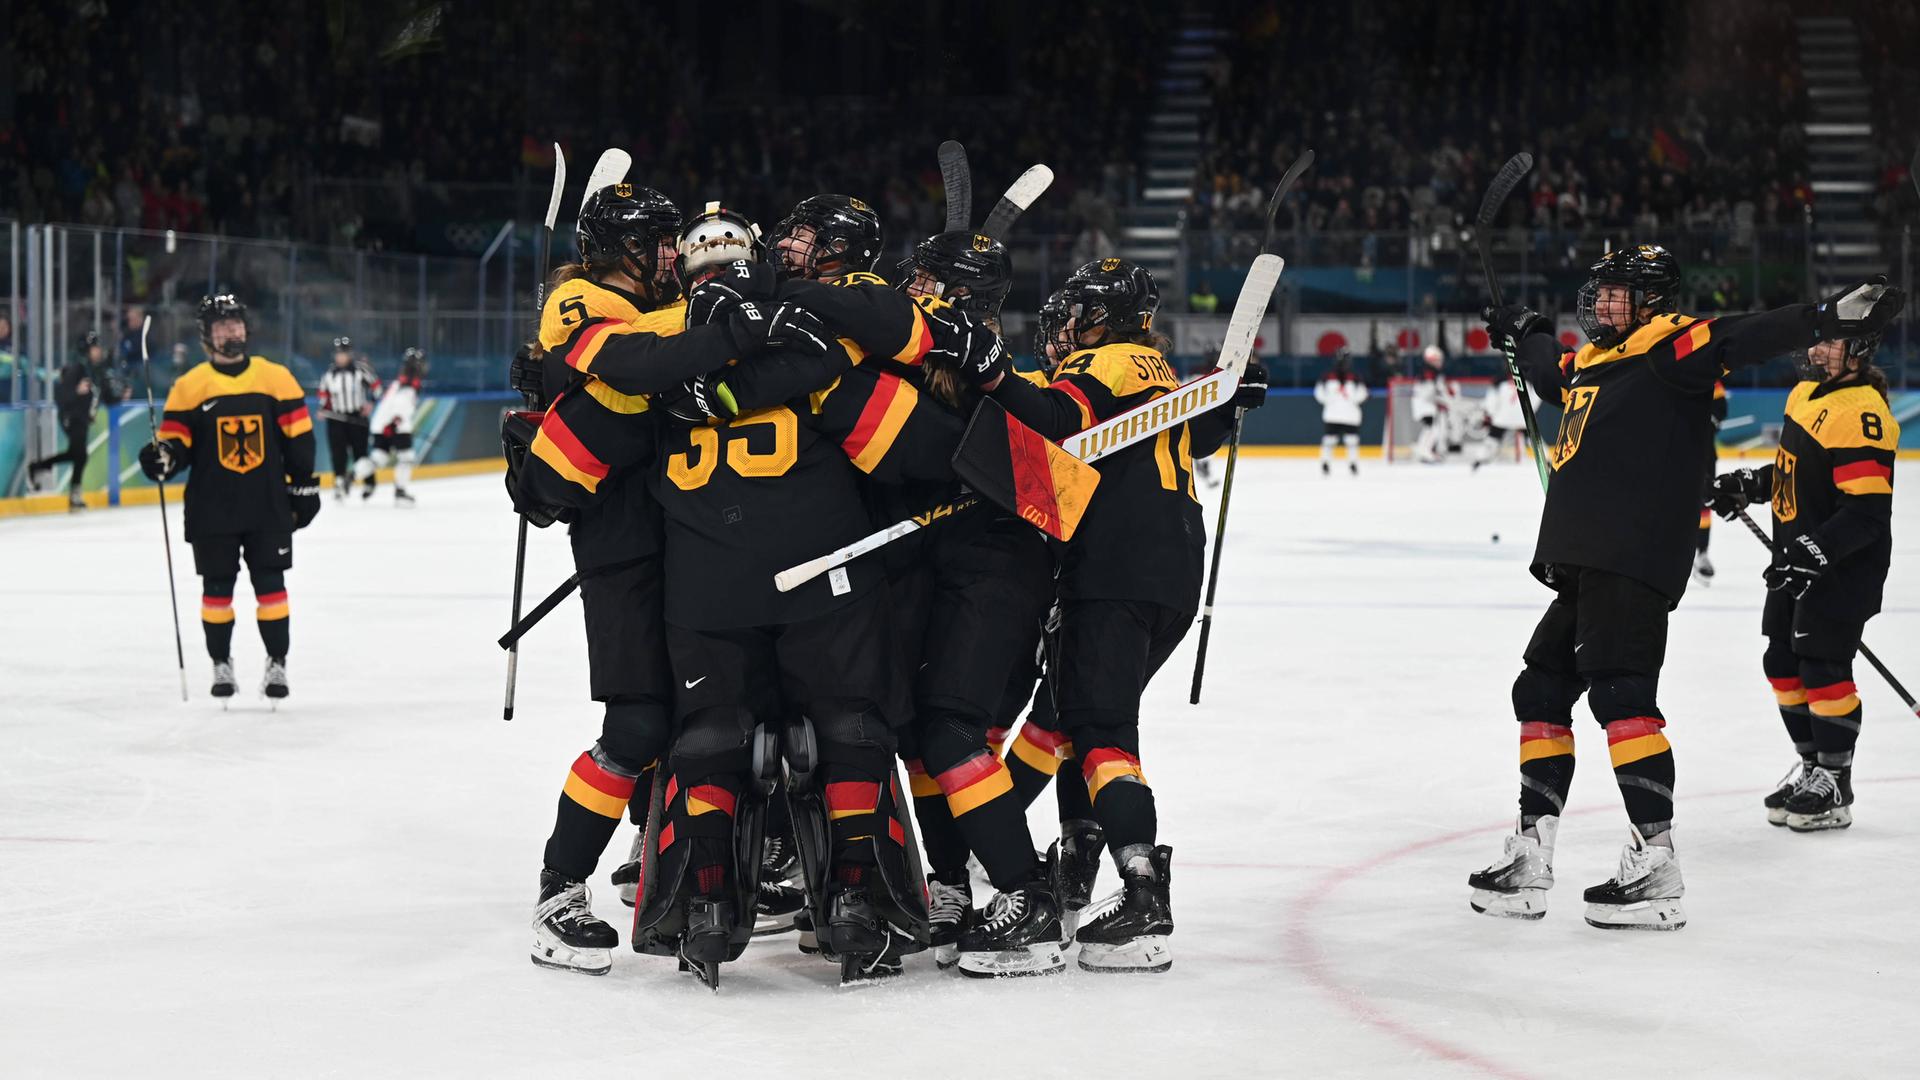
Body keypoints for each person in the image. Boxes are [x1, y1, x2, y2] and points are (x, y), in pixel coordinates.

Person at [1470, 247, 1904, 931]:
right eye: (1601, 293)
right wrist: (1525, 333)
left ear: (1649, 302)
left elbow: (1740, 334)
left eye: (1616, 295)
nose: (1603, 305)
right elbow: (1553, 376)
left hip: (1633, 553)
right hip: (1586, 554)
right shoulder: (1597, 360)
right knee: (1541, 690)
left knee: (1620, 694)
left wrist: (1822, 315)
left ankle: (1656, 864)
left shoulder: (1671, 346)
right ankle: (1532, 850)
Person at [505, 186, 825, 979]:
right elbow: (635, 367)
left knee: (700, 715)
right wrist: (738, 318)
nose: (673, 258)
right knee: (639, 725)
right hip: (623, 551)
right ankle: (558, 890)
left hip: (681, 547)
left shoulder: (663, 311)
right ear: (624, 248)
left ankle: (662, 847)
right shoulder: (580, 299)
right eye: (660, 244)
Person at [965, 257, 1268, 972]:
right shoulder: (1154, 371)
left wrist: (993, 376)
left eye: (1073, 312)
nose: (1062, 327)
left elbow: (1057, 419)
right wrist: (1223, 407)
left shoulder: (1118, 359)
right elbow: (1189, 439)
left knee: (1101, 730)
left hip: (1117, 568)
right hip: (1163, 568)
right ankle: (1076, 864)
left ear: (1101, 316)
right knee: (1071, 717)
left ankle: (1142, 895)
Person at [1709, 297, 1903, 831]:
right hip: (1797, 561)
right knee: (1782, 661)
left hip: (1841, 566)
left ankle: (1835, 783)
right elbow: (1794, 475)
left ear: (1858, 349)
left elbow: (1864, 514)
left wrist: (1815, 551)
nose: (1815, 349)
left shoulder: (1862, 413)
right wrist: (1750, 486)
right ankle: (1813, 765)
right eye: (1815, 339)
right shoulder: (1804, 394)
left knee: (1823, 666)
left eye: (1829, 341)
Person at [138, 294, 320, 701]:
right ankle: (221, 664)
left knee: (271, 585)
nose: (230, 332)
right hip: (211, 508)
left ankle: (277, 664)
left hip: (268, 505)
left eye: (235, 324)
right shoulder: (189, 387)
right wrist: (162, 458)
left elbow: (300, 441)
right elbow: (175, 446)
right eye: (221, 327)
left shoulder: (277, 378)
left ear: (246, 329)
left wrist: (304, 486)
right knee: (216, 589)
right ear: (207, 336)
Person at [29, 332, 101, 509]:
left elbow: (93, 394)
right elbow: (61, 396)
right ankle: (74, 496)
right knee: (80, 455)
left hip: (81, 418)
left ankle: (39, 466)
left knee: (76, 455)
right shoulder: (76, 369)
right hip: (72, 418)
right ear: (87, 350)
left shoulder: (89, 370)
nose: (98, 351)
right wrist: (77, 392)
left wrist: (91, 411)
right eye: (95, 347)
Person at [356, 347, 426, 504]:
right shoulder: (409, 382)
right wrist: (395, 423)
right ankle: (400, 491)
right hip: (395, 425)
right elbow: (401, 403)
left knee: (379, 457)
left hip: (383, 424)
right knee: (406, 457)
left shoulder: (401, 380)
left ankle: (352, 475)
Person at [315, 337, 379, 499]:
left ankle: (369, 482)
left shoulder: (361, 370)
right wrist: (323, 409)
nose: (340, 357)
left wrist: (370, 403)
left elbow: (377, 387)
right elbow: (323, 395)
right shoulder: (329, 374)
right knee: (338, 454)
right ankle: (339, 484)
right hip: (336, 419)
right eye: (338, 354)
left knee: (360, 452)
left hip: (357, 417)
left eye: (343, 353)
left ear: (349, 354)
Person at [1692, 380, 1728, 583]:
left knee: (1705, 501)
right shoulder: (1667, 370)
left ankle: (1702, 553)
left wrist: (1704, 426)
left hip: (1704, 452)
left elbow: (1721, 408)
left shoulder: (1710, 377)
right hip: (1672, 449)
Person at [1314, 349, 1367, 476]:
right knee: (1333, 440)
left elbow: (1362, 393)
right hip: (1338, 414)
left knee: (1349, 440)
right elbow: (1319, 393)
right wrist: (1331, 401)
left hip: (1347, 415)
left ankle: (1350, 463)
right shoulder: (1328, 377)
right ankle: (1328, 463)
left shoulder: (1355, 377)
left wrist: (1350, 400)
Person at [1472, 377, 1534, 471]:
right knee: (1532, 440)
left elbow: (1491, 402)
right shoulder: (1528, 384)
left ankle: (1479, 460)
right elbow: (1535, 400)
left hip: (1502, 418)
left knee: (1491, 441)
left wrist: (1491, 414)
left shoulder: (1499, 384)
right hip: (1521, 418)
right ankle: (1547, 460)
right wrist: (1528, 414)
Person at [1410, 344, 1452, 462]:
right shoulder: (1429, 373)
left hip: (1427, 404)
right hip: (1425, 404)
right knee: (1432, 429)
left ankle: (1424, 450)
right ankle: (1424, 451)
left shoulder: (1432, 373)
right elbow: (1428, 391)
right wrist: (1440, 399)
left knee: (1432, 429)